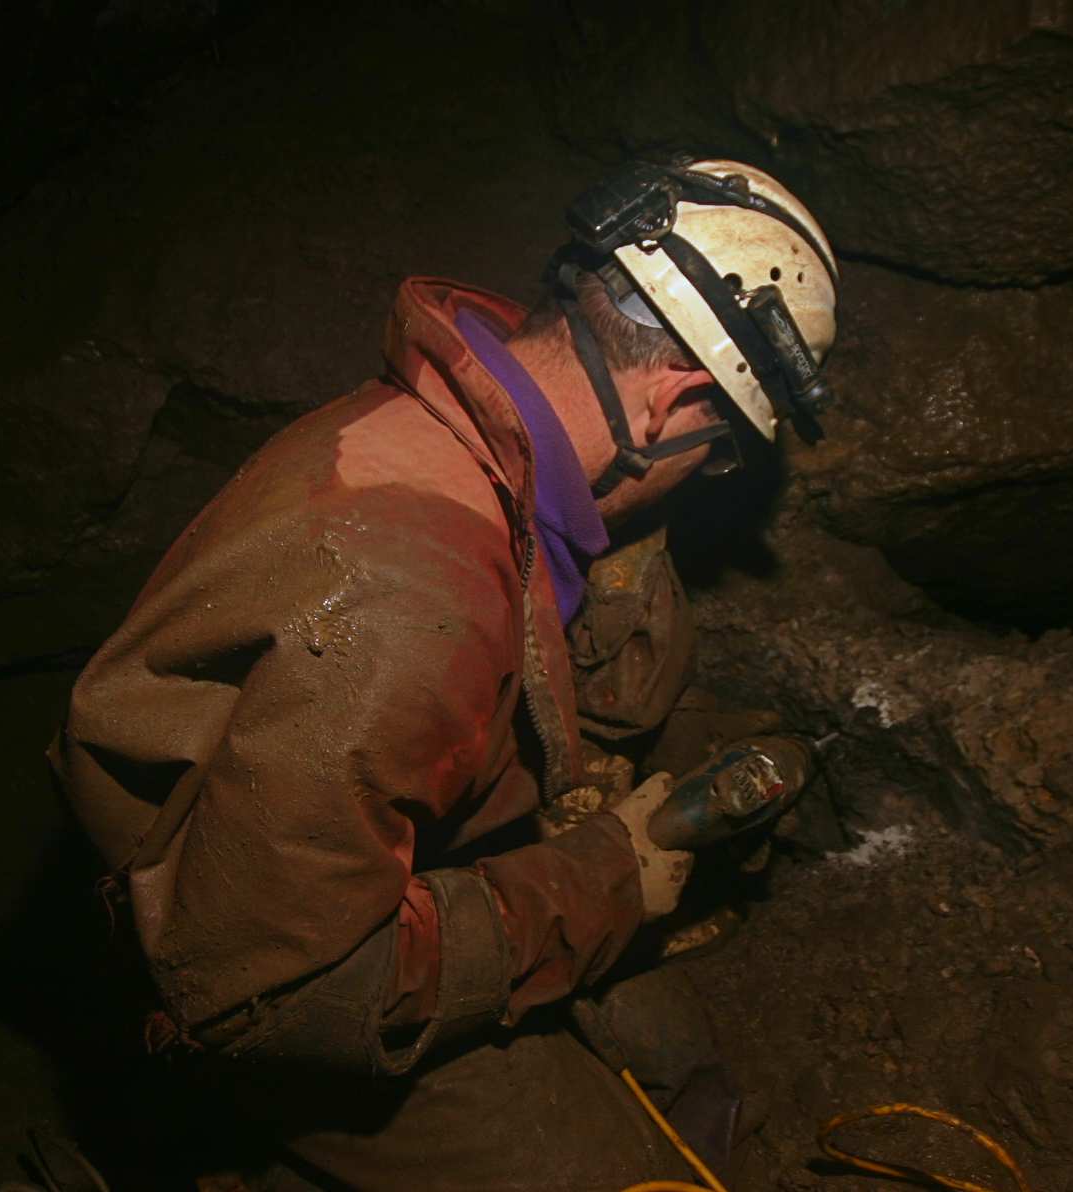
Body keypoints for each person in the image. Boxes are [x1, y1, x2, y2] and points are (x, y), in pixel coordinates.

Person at [49, 157, 839, 1191]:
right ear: (676, 398)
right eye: (721, 452)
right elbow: (284, 996)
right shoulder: (411, 594)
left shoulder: (470, 443)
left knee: (670, 1052)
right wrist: (607, 875)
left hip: (334, 875)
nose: (706, 481)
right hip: (268, 986)